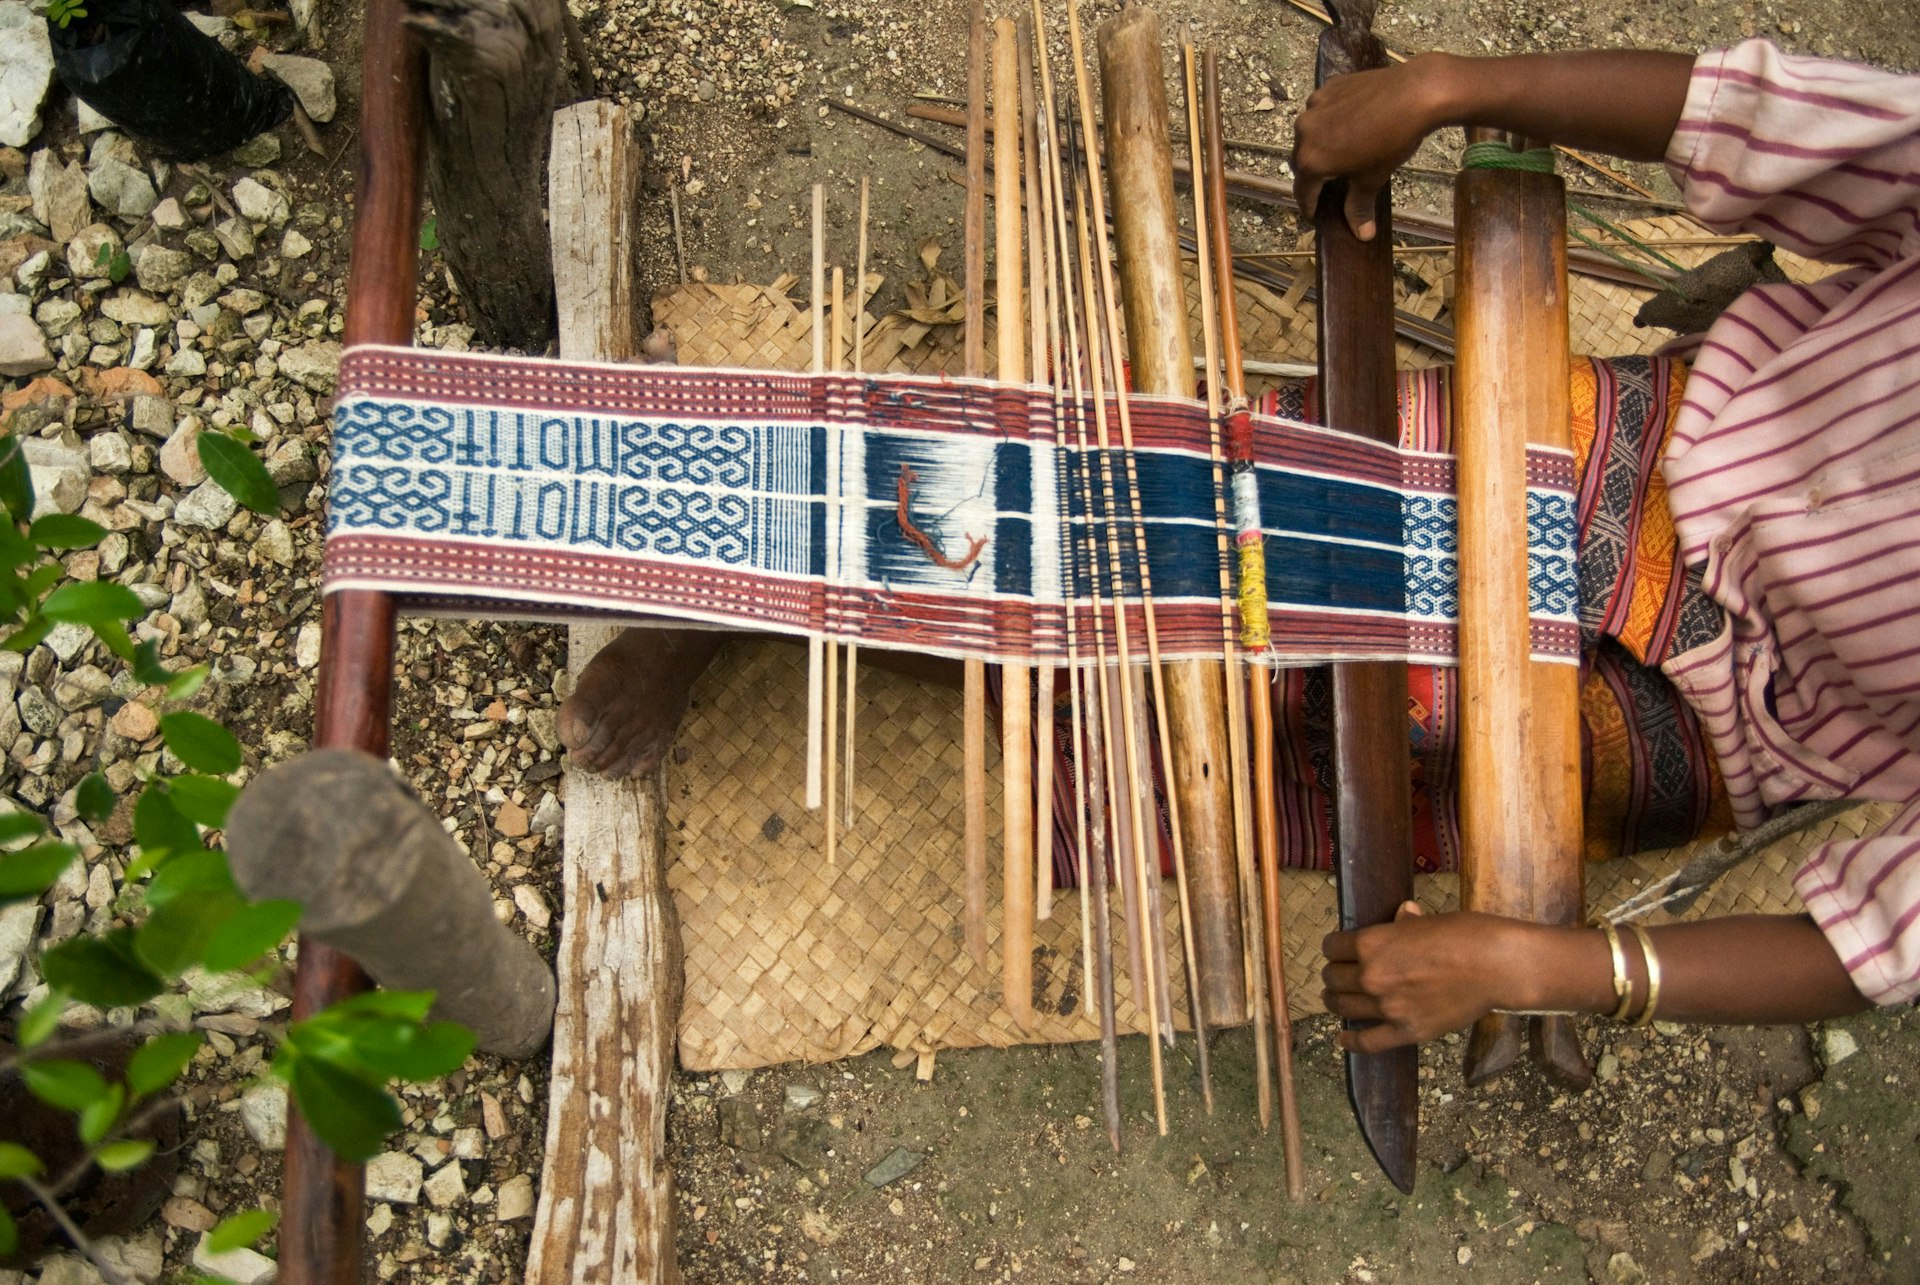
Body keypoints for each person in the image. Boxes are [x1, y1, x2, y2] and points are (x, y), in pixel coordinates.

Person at [1294, 41, 1920, 1051]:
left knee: (1323, 725)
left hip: (1737, 718)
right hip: (1664, 437)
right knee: (1263, 510)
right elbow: (1760, 116)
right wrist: (1448, 87)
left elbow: (1886, 939)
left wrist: (1552, 968)